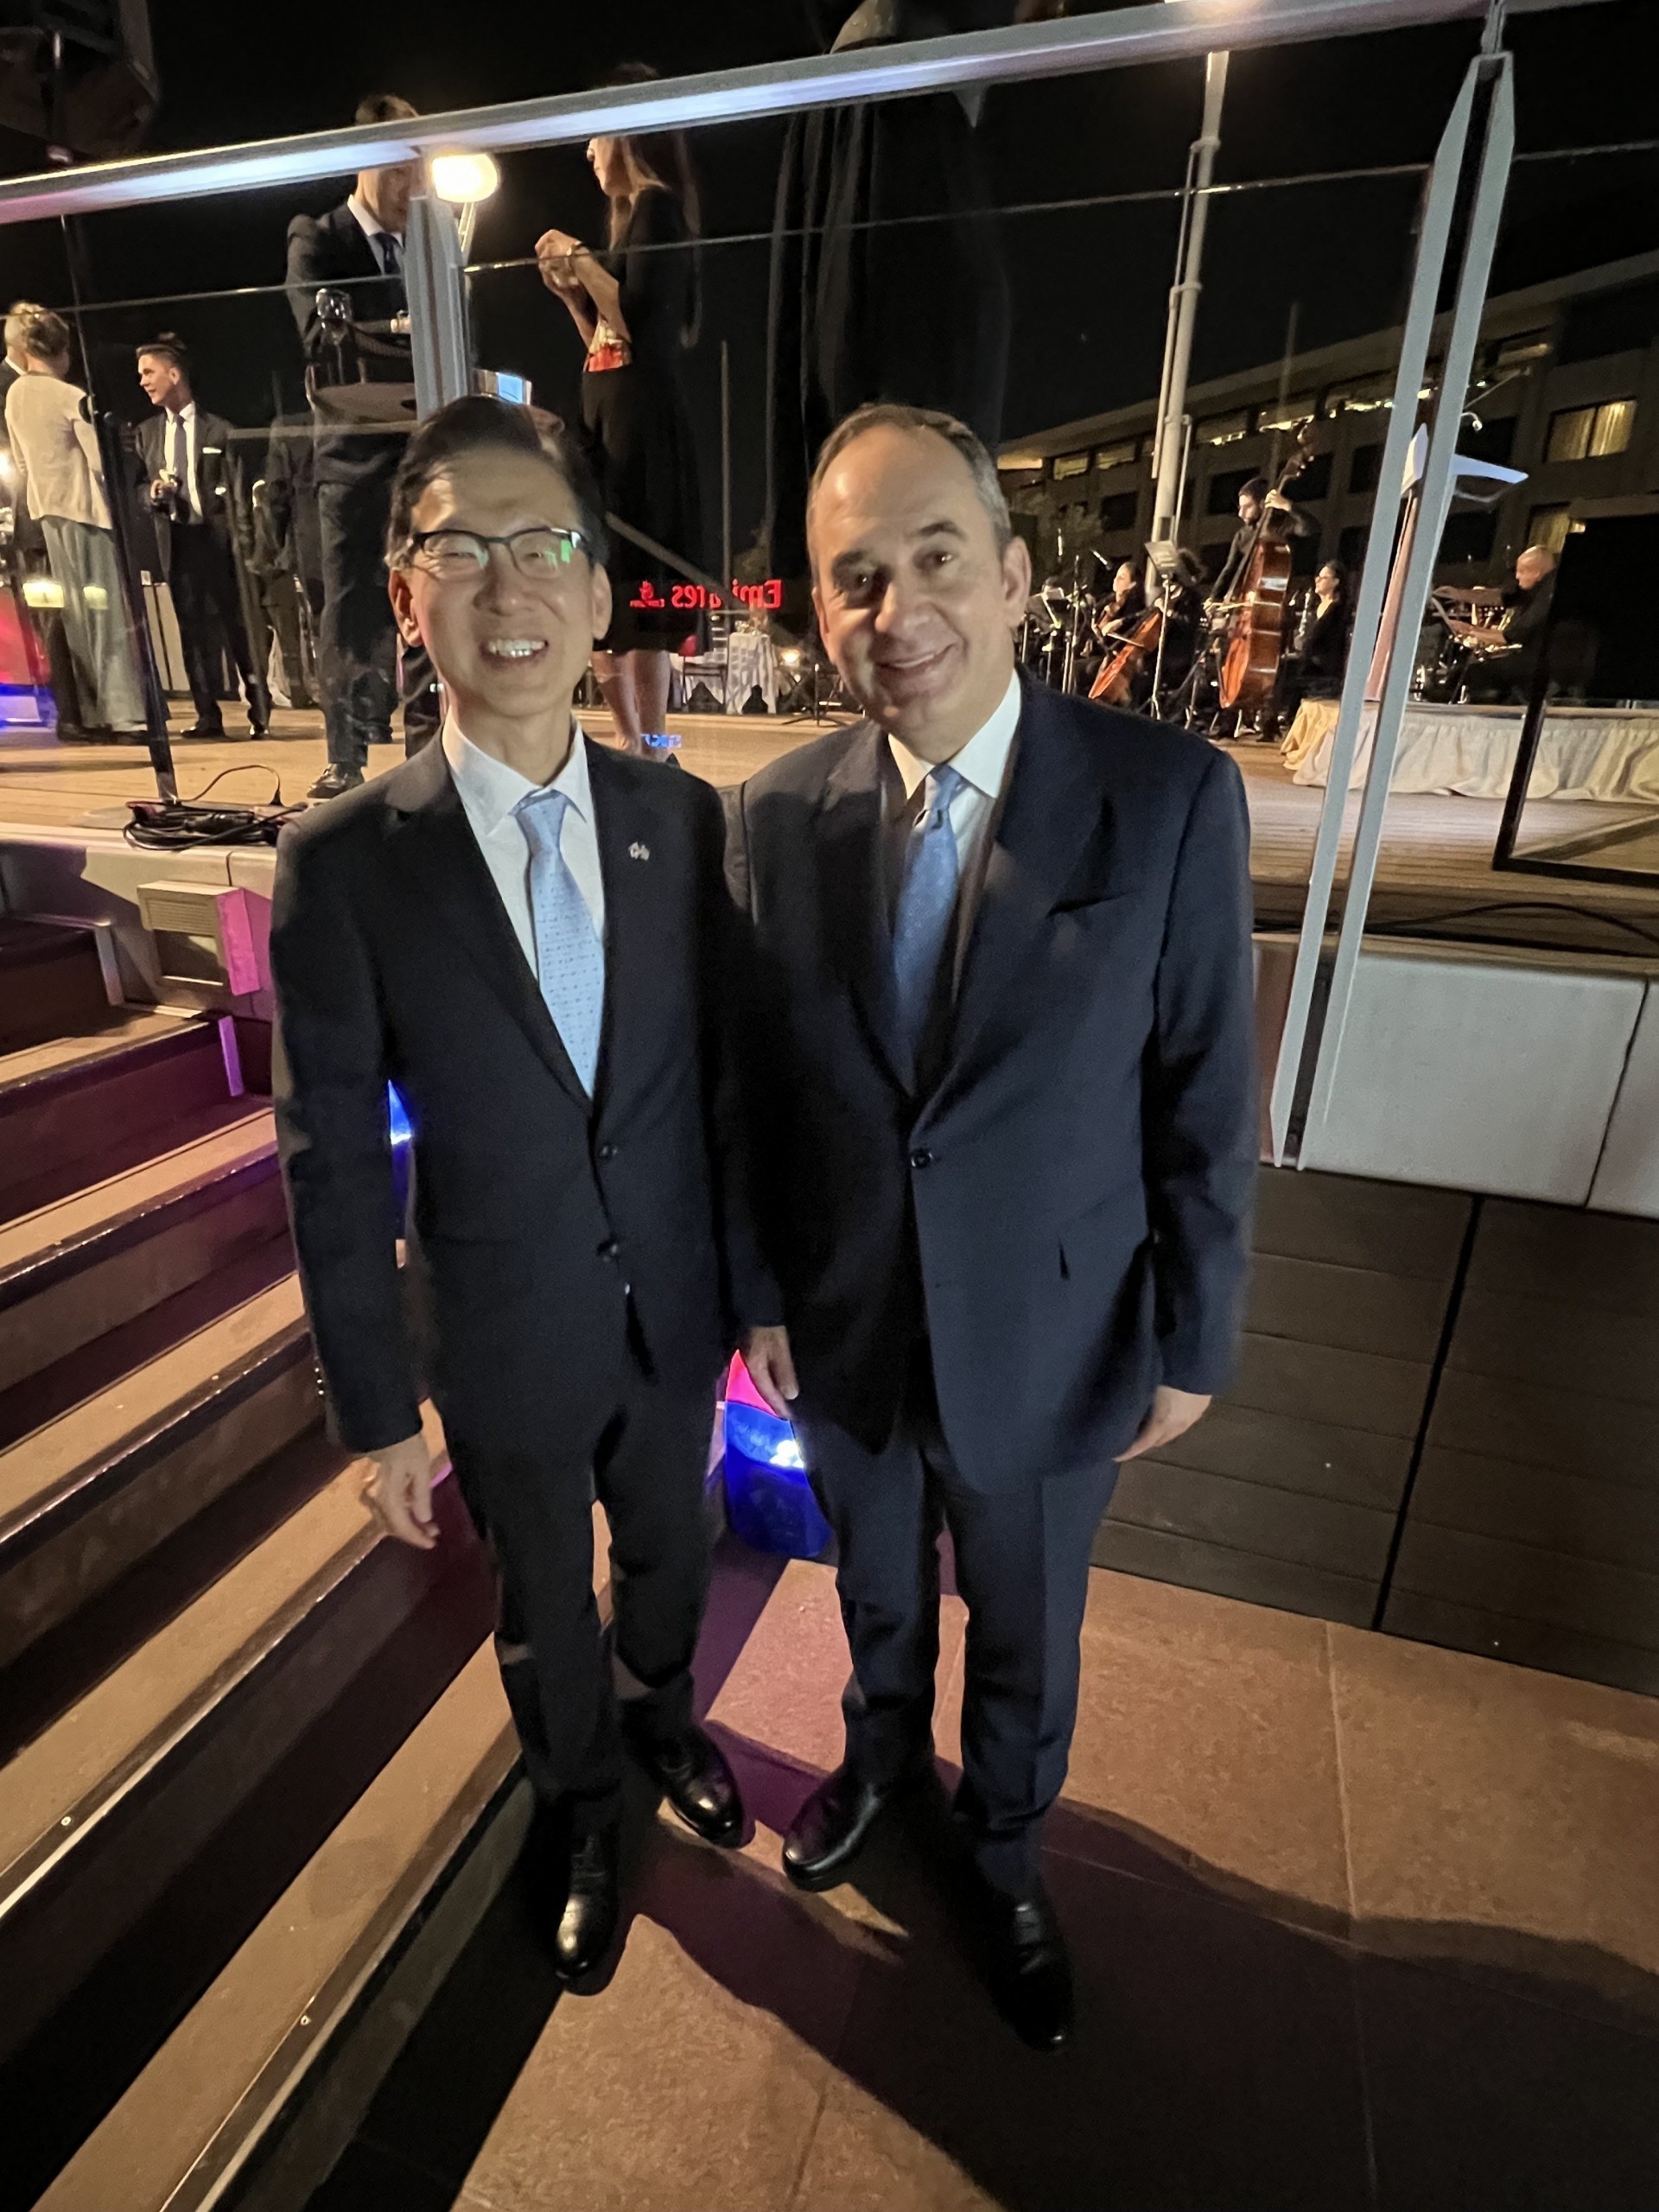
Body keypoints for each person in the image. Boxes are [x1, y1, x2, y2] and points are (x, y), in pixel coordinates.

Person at [727, 403, 1256, 2051]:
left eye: (937, 556)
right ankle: (883, 1765)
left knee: (1025, 1628)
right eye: (856, 575)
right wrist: (762, 1294)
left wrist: (1195, 1338)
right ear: (820, 609)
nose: (900, 611)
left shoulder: (1166, 797)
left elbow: (1205, 1090)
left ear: (1017, 576)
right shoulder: (775, 816)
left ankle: (1008, 1852)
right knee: (875, 1592)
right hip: (850, 1324)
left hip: (1054, 1323)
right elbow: (758, 1092)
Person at [269, 396, 770, 1986]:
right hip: (497, 1327)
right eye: (461, 550)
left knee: (676, 1548)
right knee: (545, 1600)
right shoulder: (348, 862)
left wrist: (755, 1296)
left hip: (674, 1307)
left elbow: (722, 1089)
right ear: (404, 597)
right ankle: (579, 1805)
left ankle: (663, 1716)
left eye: (543, 544)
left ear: (600, 589)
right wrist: (373, 1411)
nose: (509, 587)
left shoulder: (680, 821)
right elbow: (328, 1155)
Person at [765, 2, 1065, 583]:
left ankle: (858, 584)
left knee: (868, 410)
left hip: (869, 105)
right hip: (899, 109)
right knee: (916, 415)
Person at [536, 62, 705, 762]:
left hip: (638, 424)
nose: (588, 152)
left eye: (596, 135)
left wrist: (579, 258)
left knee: (639, 587)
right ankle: (631, 740)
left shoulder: (658, 208)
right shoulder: (632, 218)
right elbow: (609, 336)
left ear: (626, 134)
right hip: (607, 414)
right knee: (607, 577)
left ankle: (652, 744)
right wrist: (573, 297)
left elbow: (640, 320)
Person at [286, 94, 438, 797]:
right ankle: (344, 757)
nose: (414, 187)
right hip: (350, 459)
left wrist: (393, 337)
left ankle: (429, 751)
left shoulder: (431, 246)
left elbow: (454, 337)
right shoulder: (317, 237)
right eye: (403, 170)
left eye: (421, 171)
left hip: (422, 455)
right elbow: (325, 342)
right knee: (349, 607)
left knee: (429, 594)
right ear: (366, 161)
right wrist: (405, 336)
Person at [3, 302, 146, 741]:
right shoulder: (70, 397)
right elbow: (100, 463)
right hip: (85, 511)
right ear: (62, 351)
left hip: (46, 513)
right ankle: (124, 713)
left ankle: (93, 711)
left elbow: (22, 464)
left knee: (76, 618)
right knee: (106, 616)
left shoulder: (16, 396)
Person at [134, 336, 271, 740]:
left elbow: (241, 490)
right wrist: (152, 494)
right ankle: (207, 715)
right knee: (191, 631)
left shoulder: (220, 430)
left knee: (238, 628)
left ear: (174, 374)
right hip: (178, 542)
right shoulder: (146, 434)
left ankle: (260, 712)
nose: (142, 382)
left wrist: (246, 545)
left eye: (149, 372)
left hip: (220, 542)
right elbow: (138, 486)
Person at [1457, 542, 1558, 704]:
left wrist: (1472, 632)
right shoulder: (1539, 591)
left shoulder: (1546, 595)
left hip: (1542, 662)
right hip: (1538, 658)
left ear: (1537, 572)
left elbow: (1514, 635)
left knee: (1475, 671)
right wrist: (1474, 631)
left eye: (1522, 571)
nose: (1517, 577)